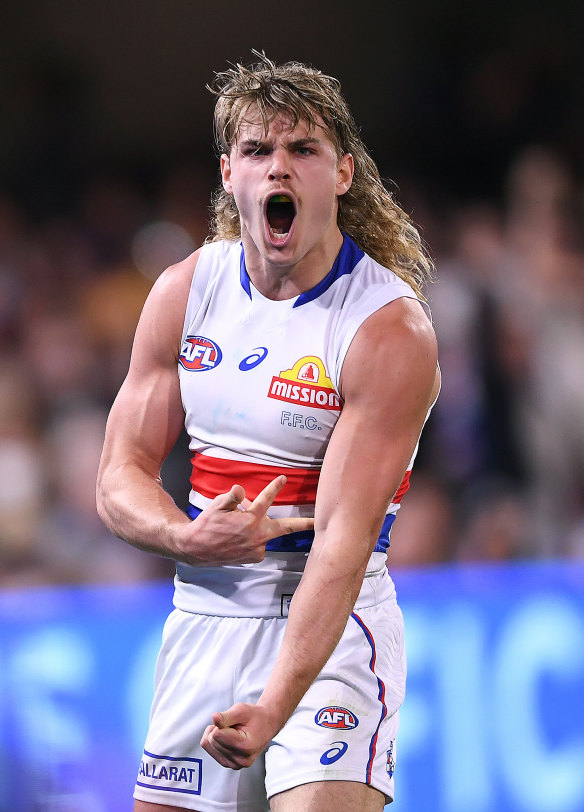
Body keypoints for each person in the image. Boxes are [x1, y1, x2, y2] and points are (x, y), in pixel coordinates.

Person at [97, 51, 439, 812]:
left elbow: (345, 547)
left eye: (302, 150)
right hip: (204, 617)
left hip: (331, 627)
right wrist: (184, 538)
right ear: (230, 174)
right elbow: (118, 477)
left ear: (342, 174)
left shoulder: (385, 329)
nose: (277, 169)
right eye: (257, 150)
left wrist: (279, 700)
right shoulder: (186, 291)